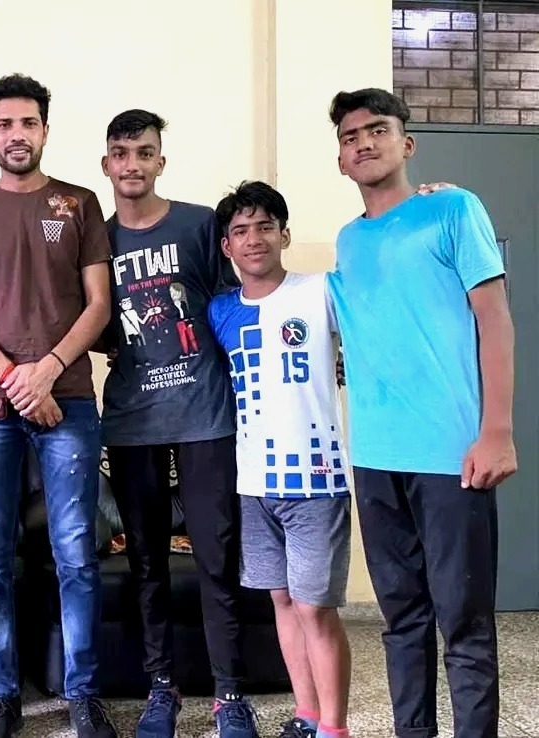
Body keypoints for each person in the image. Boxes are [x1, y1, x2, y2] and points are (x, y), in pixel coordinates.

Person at [327, 88, 516, 738]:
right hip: (375, 458)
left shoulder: (454, 209)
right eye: (350, 137)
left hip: (450, 455)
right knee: (402, 621)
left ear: (405, 143)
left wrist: (497, 431)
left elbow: (494, 320)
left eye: (376, 130)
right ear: (342, 160)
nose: (364, 143)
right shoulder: (348, 244)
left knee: (463, 623)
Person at [0, 73, 115, 738]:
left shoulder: (79, 203)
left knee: (75, 552)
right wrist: (16, 378)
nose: (17, 134)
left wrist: (49, 371)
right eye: (5, 124)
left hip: (67, 403)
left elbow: (98, 305)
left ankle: (83, 693)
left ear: (44, 129)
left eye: (28, 123)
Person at [97, 109, 257, 738]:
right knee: (145, 563)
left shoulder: (200, 224)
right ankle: (160, 688)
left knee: (218, 557)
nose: (132, 164)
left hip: (206, 415)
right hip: (133, 420)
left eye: (144, 152)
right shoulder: (96, 239)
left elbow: (231, 306)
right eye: (120, 153)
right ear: (106, 164)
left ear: (161, 160)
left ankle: (229, 695)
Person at [210, 181, 353, 738]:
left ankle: (334, 728)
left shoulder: (323, 291)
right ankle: (308, 714)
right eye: (241, 231)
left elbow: (385, 312)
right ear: (227, 247)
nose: (254, 240)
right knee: (282, 602)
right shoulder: (221, 311)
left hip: (317, 480)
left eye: (265, 227)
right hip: (254, 482)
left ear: (284, 234)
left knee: (316, 608)